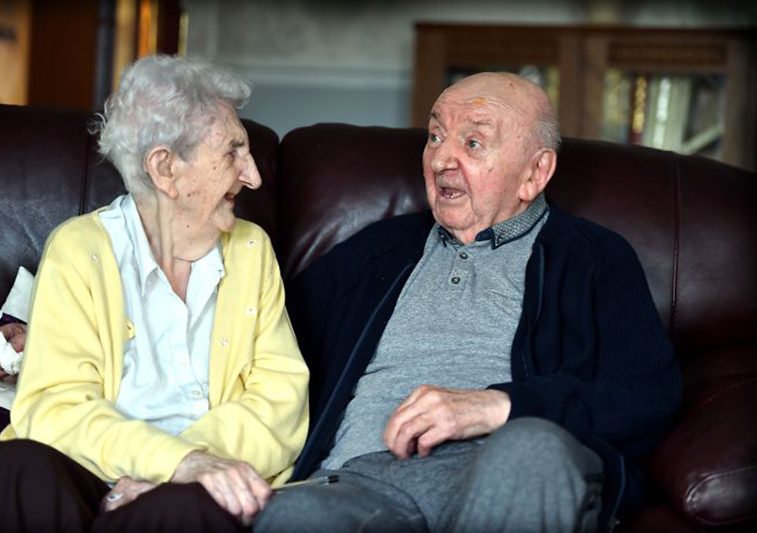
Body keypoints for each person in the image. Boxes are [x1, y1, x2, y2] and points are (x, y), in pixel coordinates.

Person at [254, 73, 682, 532]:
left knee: (531, 450)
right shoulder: (376, 251)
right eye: (436, 136)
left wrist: (500, 406)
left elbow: (648, 396)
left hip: (502, 470)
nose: (441, 159)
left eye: (473, 143)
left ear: (535, 173)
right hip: (360, 481)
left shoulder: (594, 258)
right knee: (295, 514)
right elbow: (261, 339)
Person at [0, 55, 309, 532]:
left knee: (188, 510)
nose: (253, 176)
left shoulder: (250, 251)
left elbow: (280, 402)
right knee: (7, 472)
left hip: (198, 485)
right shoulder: (79, 249)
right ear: (165, 169)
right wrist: (173, 461)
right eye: (232, 153)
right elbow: (54, 410)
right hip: (84, 472)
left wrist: (183, 472)